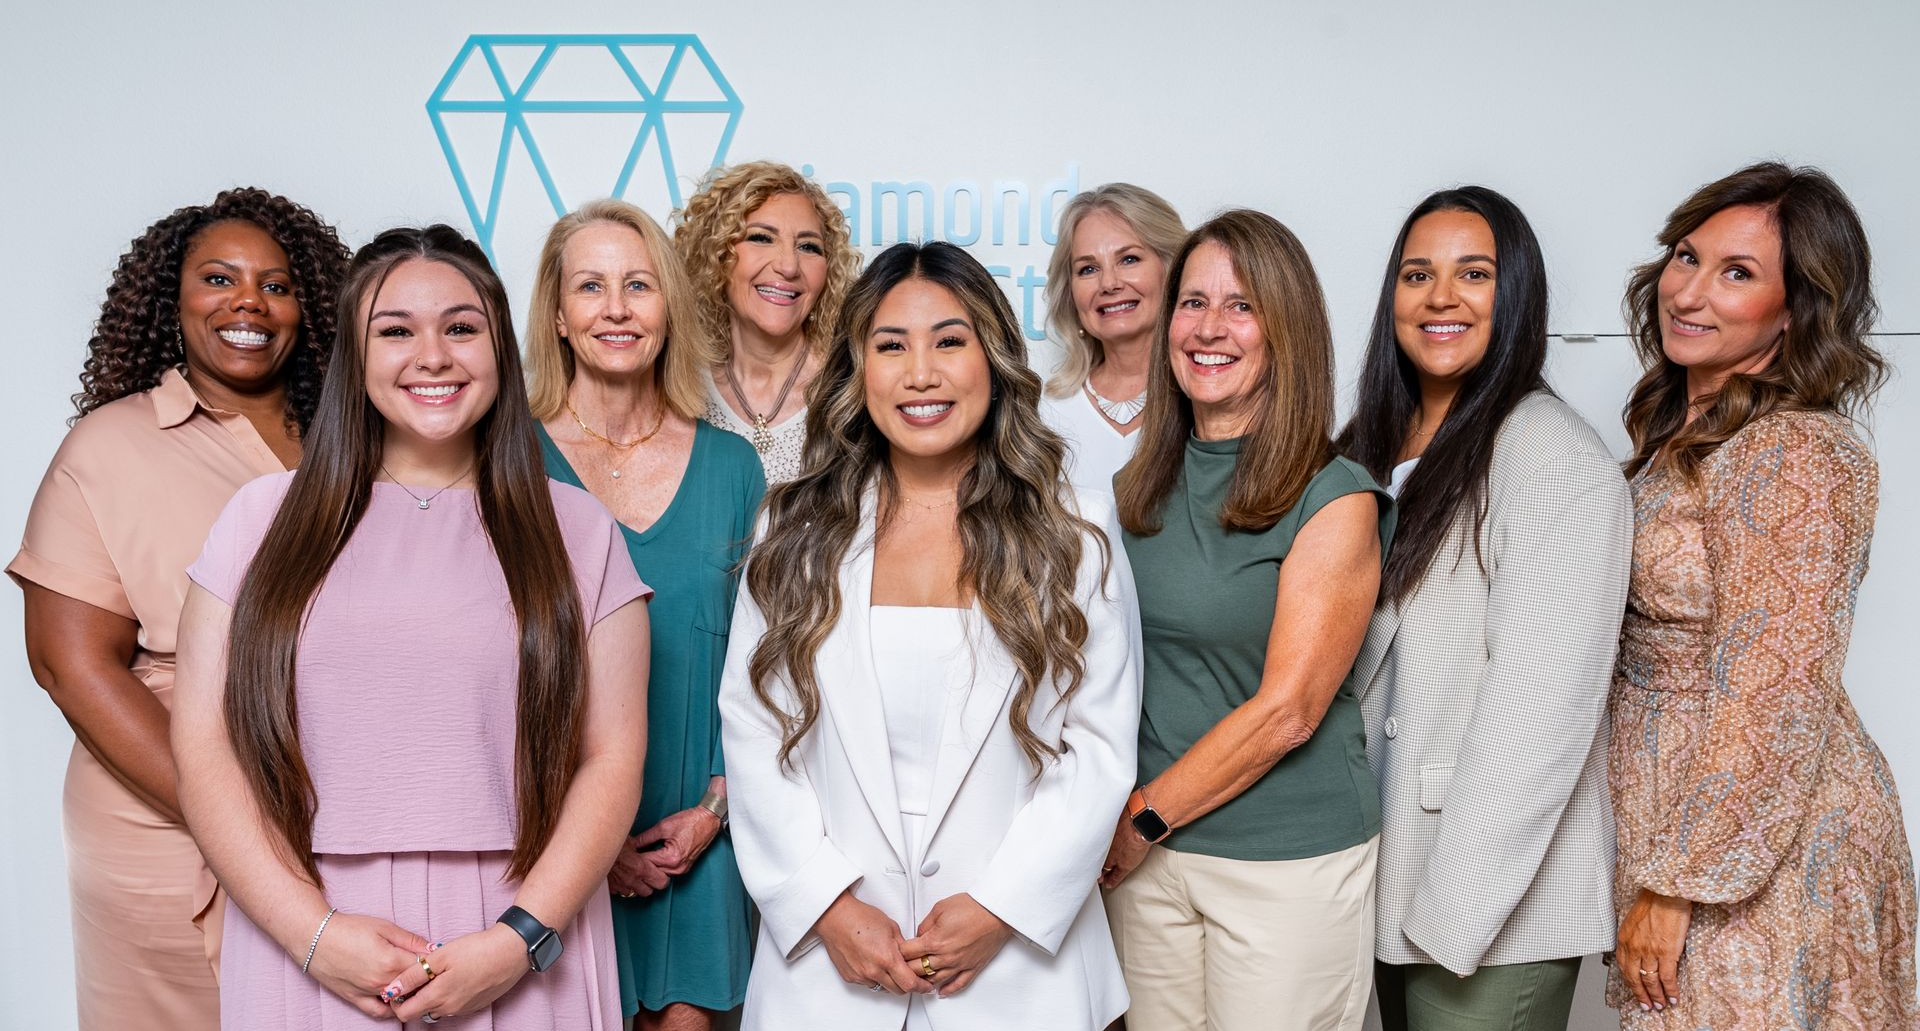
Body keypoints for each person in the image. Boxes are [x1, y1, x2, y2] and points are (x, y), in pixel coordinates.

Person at [169, 225, 652, 1028]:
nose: (433, 355)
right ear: (354, 358)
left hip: (522, 923)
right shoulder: (259, 520)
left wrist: (519, 940)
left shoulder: (581, 530)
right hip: (315, 927)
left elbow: (612, 756)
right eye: (395, 330)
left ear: (501, 347)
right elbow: (203, 745)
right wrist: (312, 934)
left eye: (461, 328)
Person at [717, 241, 1140, 1030]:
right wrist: (826, 907)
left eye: (950, 341)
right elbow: (751, 731)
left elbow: (1100, 746)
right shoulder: (791, 527)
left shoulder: (1075, 528)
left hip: (1019, 972)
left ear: (995, 359)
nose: (920, 373)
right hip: (829, 974)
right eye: (891, 346)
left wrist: (1000, 907)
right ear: (857, 370)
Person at [8, 188, 348, 1029]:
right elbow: (70, 662)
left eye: (277, 284)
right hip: (161, 818)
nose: (248, 303)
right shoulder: (111, 445)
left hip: (345, 808)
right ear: (174, 298)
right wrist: (234, 817)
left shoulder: (362, 443)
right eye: (219, 278)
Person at [1608, 162, 1916, 1029]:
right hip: (1690, 829)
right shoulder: (1687, 437)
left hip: (1764, 856)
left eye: (1737, 273)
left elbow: (1776, 690)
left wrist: (1678, 883)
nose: (1690, 291)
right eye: (1686, 256)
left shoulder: (1795, 455)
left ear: (1794, 309)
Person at [1336, 186, 1632, 1030]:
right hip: (1385, 876)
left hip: (1489, 905)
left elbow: (1541, 721)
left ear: (1519, 295)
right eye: (1417, 273)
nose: (1440, 297)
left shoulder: (1553, 459)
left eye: (1474, 273)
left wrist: (1449, 916)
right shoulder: (1366, 446)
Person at [1099, 209, 1393, 1031]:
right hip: (1150, 864)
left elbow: (1288, 710)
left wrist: (1142, 816)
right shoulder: (1131, 494)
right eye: (1193, 302)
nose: (1209, 328)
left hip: (1284, 864)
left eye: (1241, 306)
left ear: (1284, 330)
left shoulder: (1333, 497)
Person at [525, 198, 765, 1029]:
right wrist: (587, 837)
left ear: (669, 306)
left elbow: (768, 665)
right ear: (557, 315)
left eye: (639, 285)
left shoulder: (734, 467)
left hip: (698, 839)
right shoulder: (509, 462)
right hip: (545, 840)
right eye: (591, 287)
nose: (618, 308)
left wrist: (717, 809)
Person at [673, 161, 861, 483]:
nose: (788, 266)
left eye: (808, 246)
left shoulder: (853, 390)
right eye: (761, 238)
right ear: (715, 253)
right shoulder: (677, 387)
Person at [1039, 183, 1186, 493]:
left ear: (1171, 269)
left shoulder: (1207, 402)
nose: (1108, 283)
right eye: (1088, 268)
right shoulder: (1042, 416)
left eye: (1129, 259)